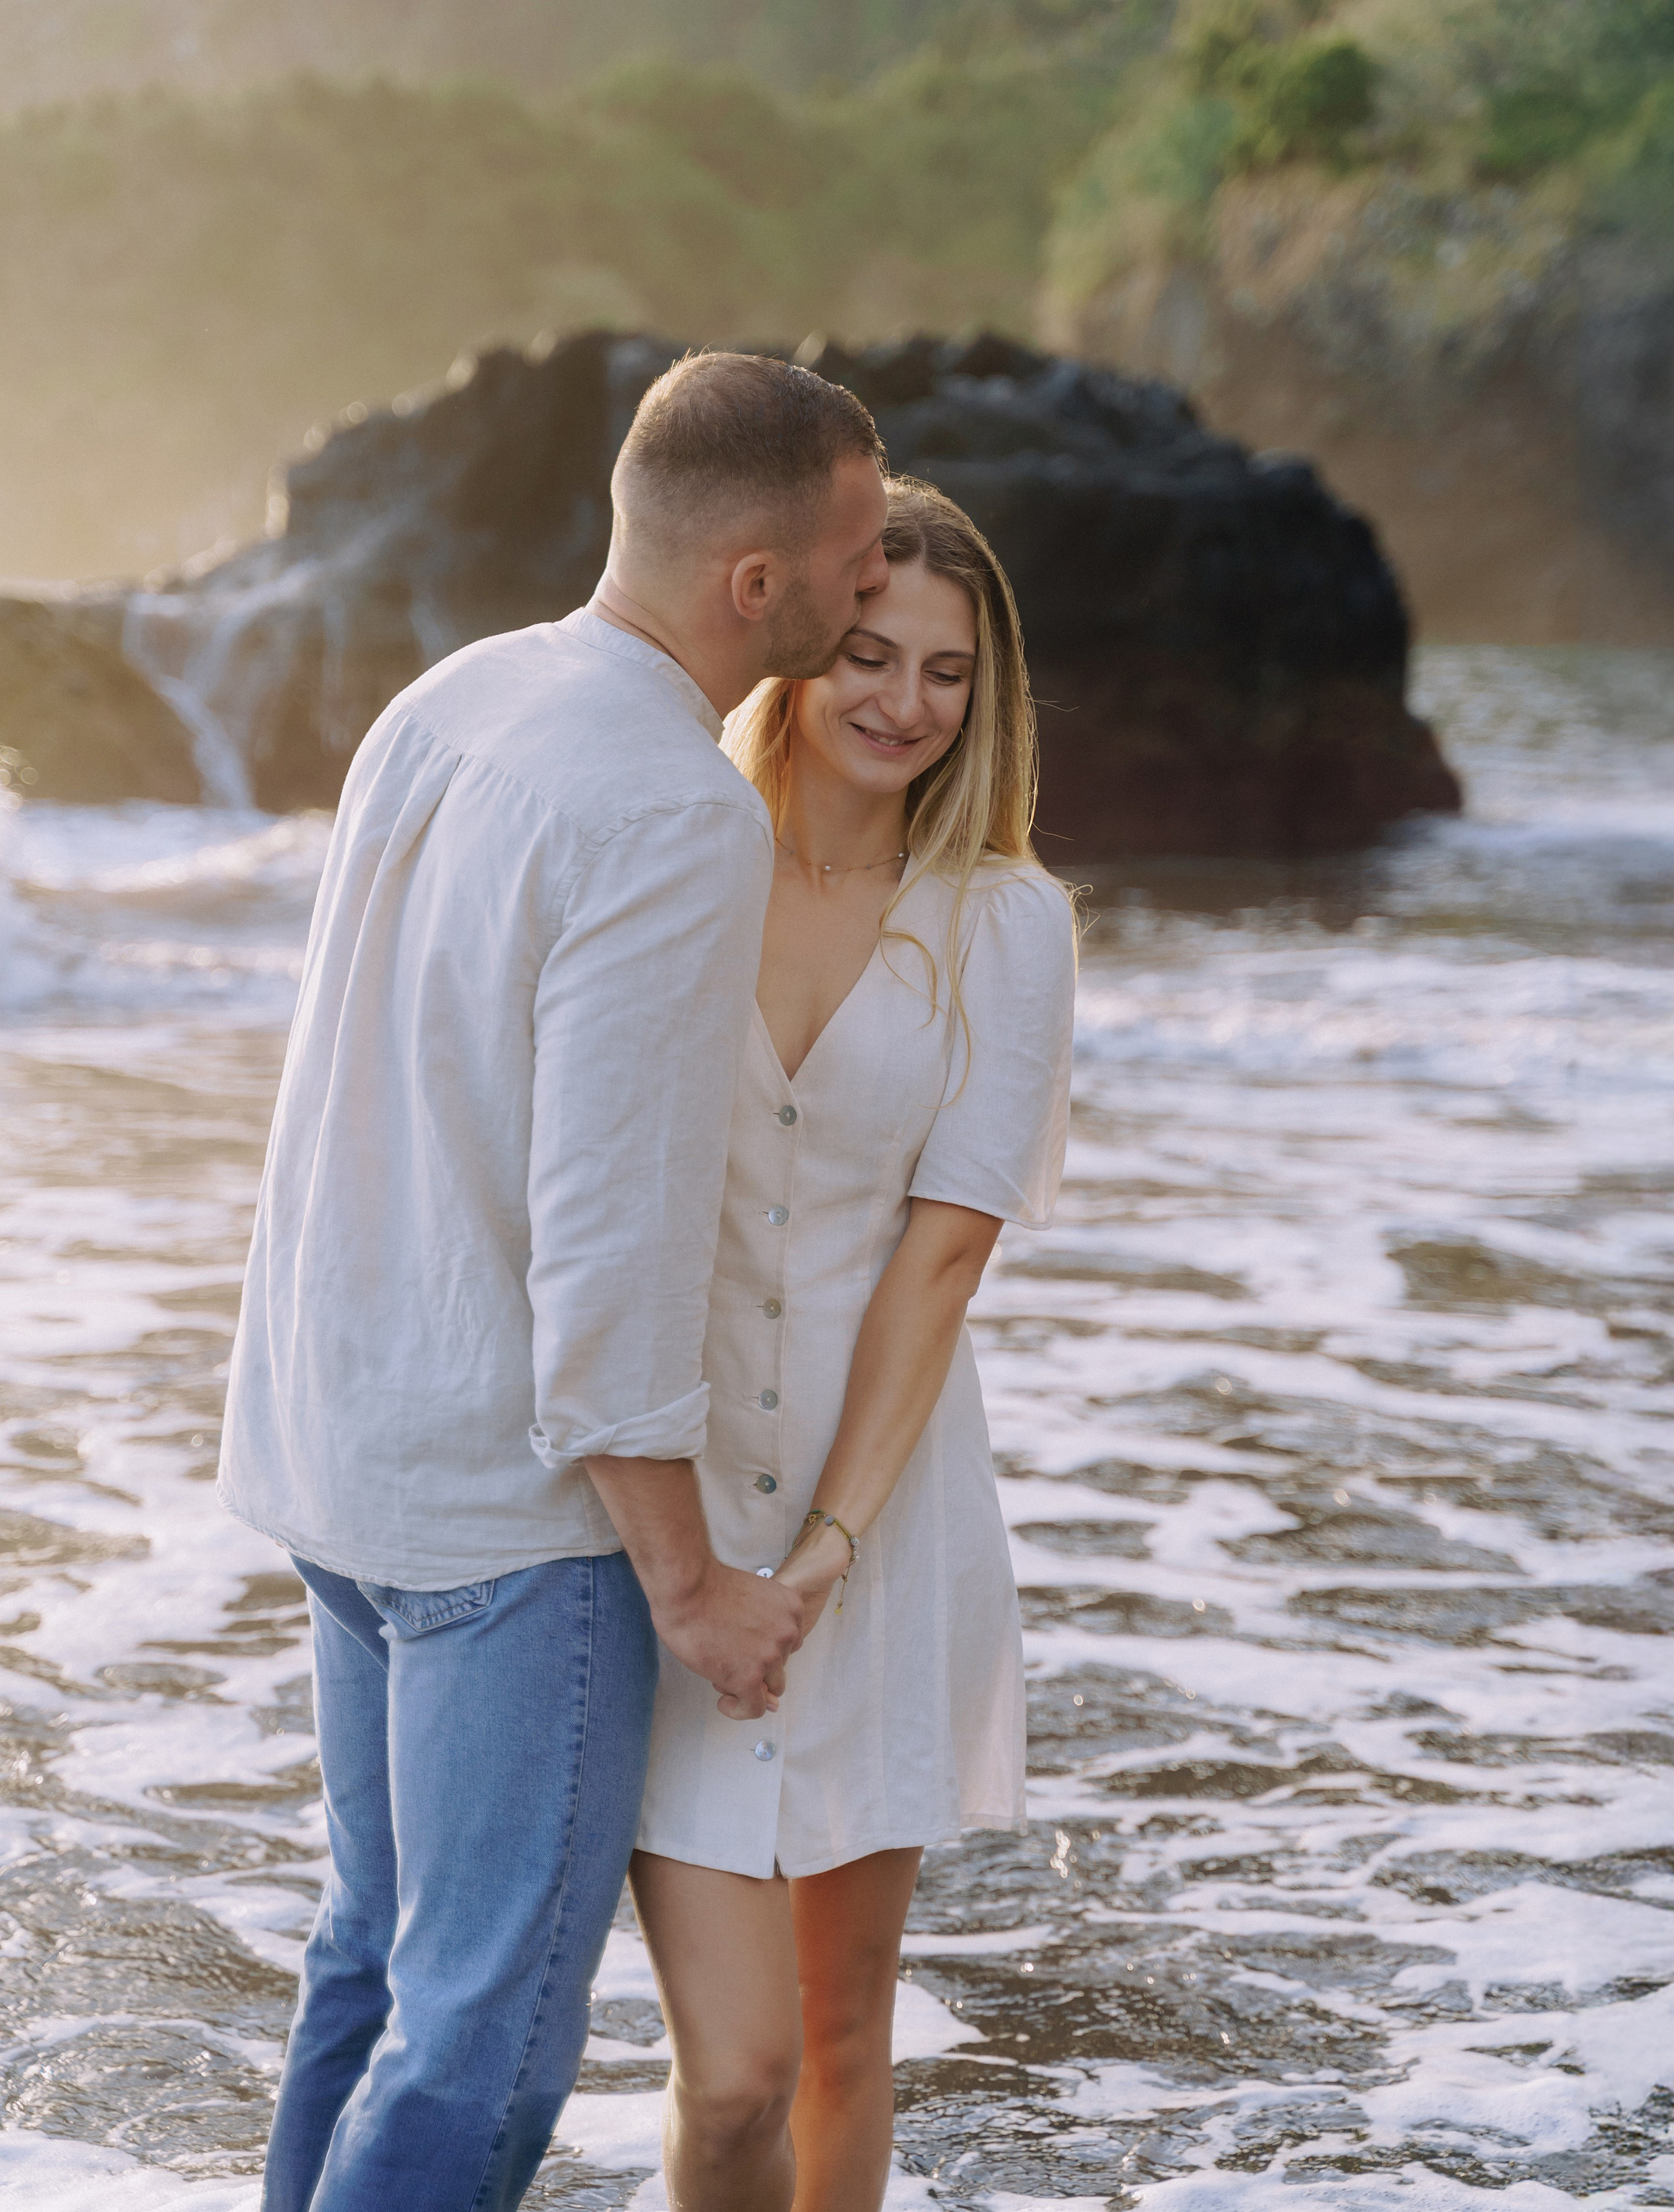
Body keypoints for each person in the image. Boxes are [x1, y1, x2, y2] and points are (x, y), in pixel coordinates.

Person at [215, 351, 891, 2212]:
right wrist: (691, 1584)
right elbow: (612, 1236)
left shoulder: (456, 695)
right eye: (851, 546)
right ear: (756, 583)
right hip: (501, 1524)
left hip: (332, 1443)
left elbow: (335, 1088)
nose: (875, 573)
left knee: (369, 1967)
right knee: (487, 2051)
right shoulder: (674, 809)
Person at [628, 480, 1078, 2211]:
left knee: (831, 2039)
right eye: (869, 653)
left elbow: (942, 1256)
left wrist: (819, 1552)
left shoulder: (1003, 921)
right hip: (664, 1517)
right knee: (725, 2069)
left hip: (873, 1527)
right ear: (799, 651)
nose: (903, 702)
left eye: (949, 672)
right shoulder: (681, 852)